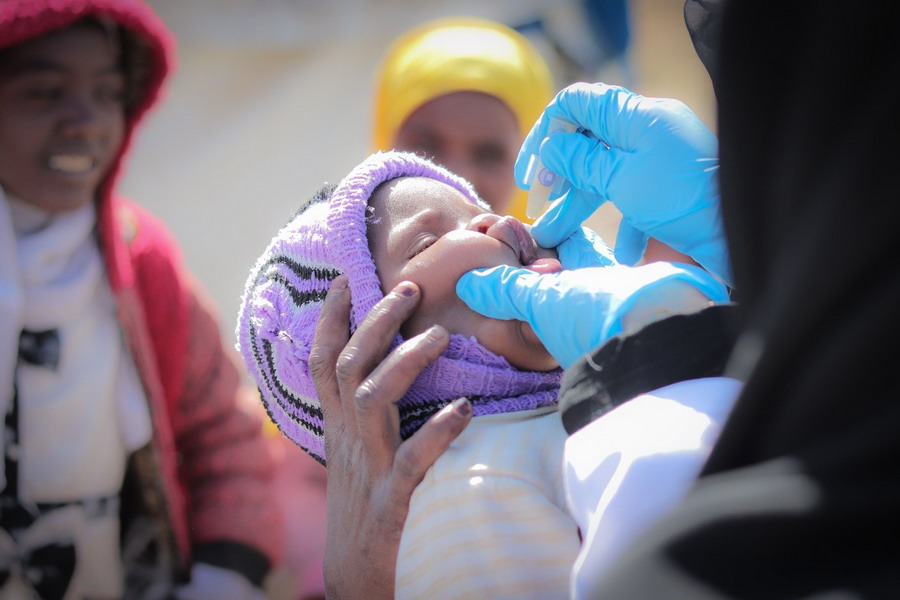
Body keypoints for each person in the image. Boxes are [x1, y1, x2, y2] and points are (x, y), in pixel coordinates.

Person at [237, 150, 727, 599]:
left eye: (478, 211)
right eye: (427, 239)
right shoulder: (471, 489)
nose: (498, 222)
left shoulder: (587, 400)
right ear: (375, 345)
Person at [0, 1, 282, 598]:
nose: (86, 121)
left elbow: (220, 431)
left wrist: (226, 571)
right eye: (45, 92)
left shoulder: (140, 259)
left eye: (107, 94)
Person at [372, 16, 555, 219]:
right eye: (426, 146)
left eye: (490, 155)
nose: (457, 180)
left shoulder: (564, 249)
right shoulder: (336, 243)